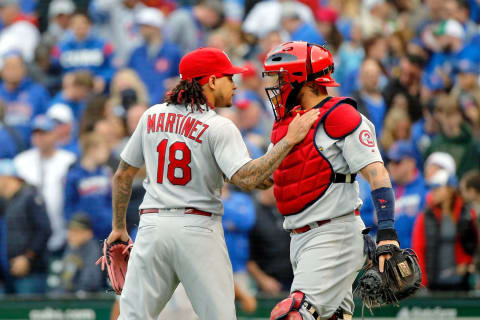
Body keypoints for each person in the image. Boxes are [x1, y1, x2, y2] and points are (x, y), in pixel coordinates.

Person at [106, 47, 319, 320]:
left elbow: (123, 175)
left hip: (152, 227)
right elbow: (247, 178)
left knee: (132, 317)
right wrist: (288, 141)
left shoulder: (151, 115)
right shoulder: (218, 125)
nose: (235, 84)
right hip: (197, 229)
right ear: (211, 80)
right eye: (229, 78)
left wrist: (118, 227)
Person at [263, 41, 400, 319]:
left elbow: (376, 173)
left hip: (334, 234)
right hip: (300, 238)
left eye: (281, 77)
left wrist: (387, 232)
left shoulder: (342, 116)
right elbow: (267, 179)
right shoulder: (287, 125)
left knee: (293, 314)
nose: (276, 85)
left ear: (300, 79)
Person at [14, 115, 77, 253]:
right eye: (36, 134)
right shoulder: (21, 162)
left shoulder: (68, 160)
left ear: (55, 134)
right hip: (31, 234)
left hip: (62, 231)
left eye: (44, 133)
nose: (40, 138)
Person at [412, 168, 478, 290]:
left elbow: (473, 245)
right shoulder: (425, 216)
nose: (433, 192)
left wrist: (467, 265)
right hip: (434, 283)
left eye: (437, 188)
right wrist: (422, 283)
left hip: (462, 282)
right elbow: (419, 249)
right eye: (432, 189)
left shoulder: (467, 213)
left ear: (449, 190)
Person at [0, 159, 51, 294]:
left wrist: (27, 257)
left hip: (31, 272)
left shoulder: (30, 197)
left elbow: (44, 230)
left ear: (5, 178)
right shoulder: (7, 202)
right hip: (8, 272)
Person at [64, 132, 112, 240]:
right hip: (84, 233)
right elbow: (69, 205)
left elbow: (111, 201)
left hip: (106, 231)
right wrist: (75, 228)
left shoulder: (105, 173)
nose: (107, 153)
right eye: (104, 149)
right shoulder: (74, 176)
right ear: (92, 150)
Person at [386, 140, 427, 248]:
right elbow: (361, 218)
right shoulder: (382, 188)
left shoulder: (425, 189)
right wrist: (373, 218)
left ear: (411, 163)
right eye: (389, 161)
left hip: (414, 258)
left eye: (397, 162)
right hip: (386, 258)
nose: (391, 166)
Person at [59, 213, 102, 293]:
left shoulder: (93, 249)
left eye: (76, 231)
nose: (71, 234)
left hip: (86, 299)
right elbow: (64, 280)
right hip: (67, 296)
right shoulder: (71, 246)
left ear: (89, 233)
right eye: (70, 230)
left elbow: (91, 281)